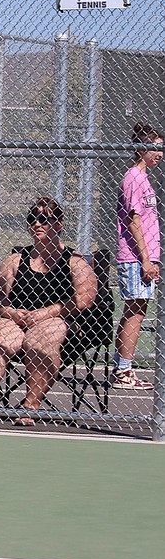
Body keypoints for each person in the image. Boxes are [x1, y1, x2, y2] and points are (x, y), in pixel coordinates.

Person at [0, 198, 98, 426]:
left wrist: (47, 312)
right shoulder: (16, 260)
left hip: (58, 320)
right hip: (18, 319)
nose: (36, 224)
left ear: (58, 224)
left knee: (40, 337)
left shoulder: (74, 261)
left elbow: (85, 299)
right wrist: (11, 312)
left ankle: (30, 407)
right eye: (32, 219)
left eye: (43, 219)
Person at [112, 123, 163, 391]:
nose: (160, 154)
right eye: (156, 148)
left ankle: (123, 366)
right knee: (135, 311)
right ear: (142, 148)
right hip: (134, 257)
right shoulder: (133, 177)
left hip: (146, 256)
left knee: (138, 311)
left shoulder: (144, 178)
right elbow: (133, 221)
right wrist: (145, 259)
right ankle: (123, 371)